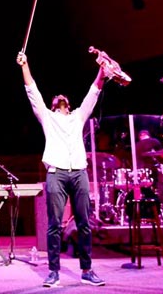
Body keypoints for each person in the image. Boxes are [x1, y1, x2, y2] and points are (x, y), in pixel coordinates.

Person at [16, 51, 106, 288]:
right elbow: (33, 92)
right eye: (56, 98)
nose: (59, 98)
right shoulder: (47, 117)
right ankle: (53, 272)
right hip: (56, 173)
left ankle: (87, 270)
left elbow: (93, 92)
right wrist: (25, 64)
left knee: (84, 222)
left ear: (68, 103)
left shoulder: (78, 117)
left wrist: (103, 70)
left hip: (79, 172)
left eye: (62, 97)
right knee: (54, 223)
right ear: (54, 104)